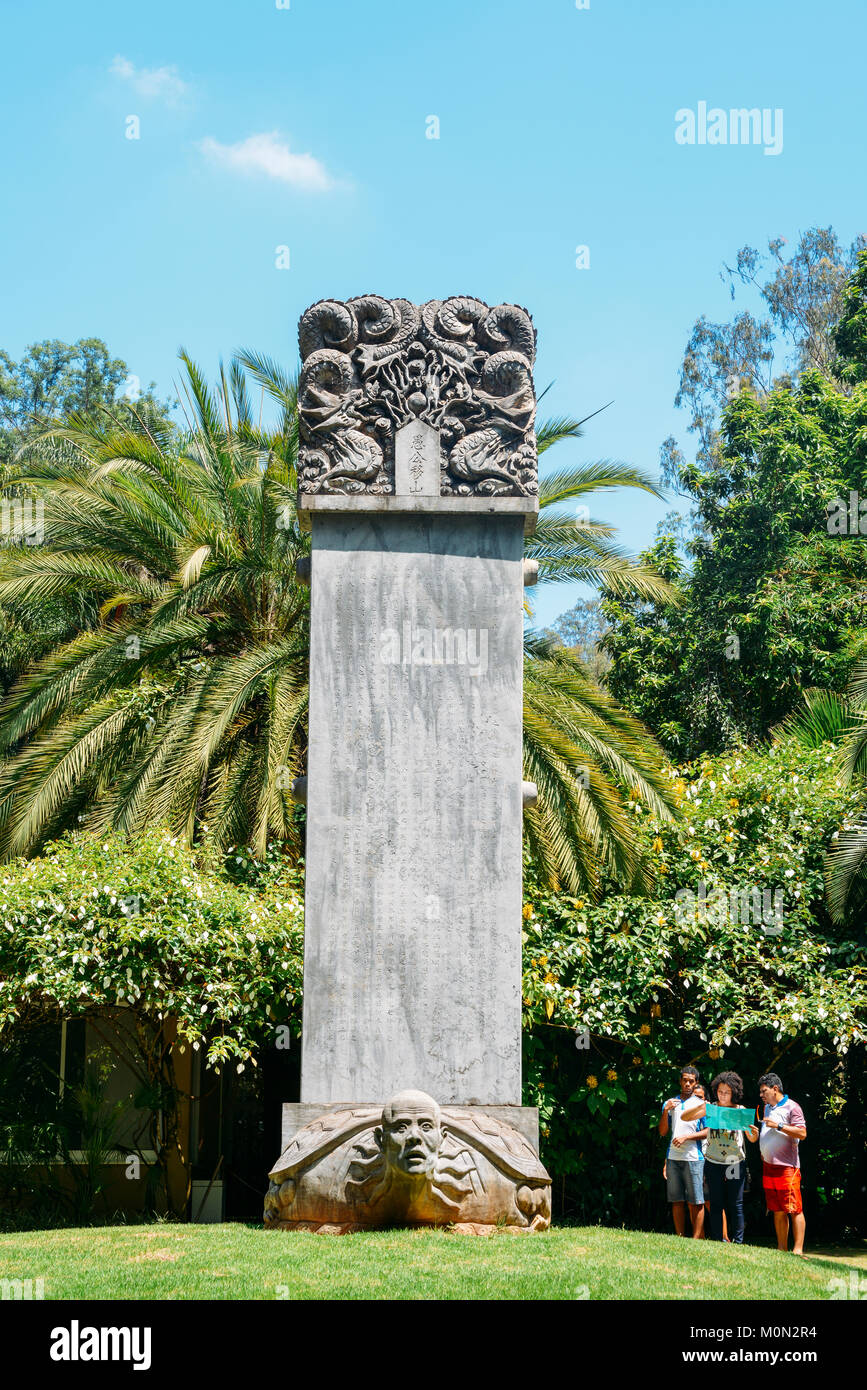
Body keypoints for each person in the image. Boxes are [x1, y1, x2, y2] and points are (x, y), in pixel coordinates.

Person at [682, 1071, 758, 1243]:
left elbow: (752, 1139)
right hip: (713, 1160)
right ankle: (717, 1240)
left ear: (734, 1093)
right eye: (720, 1091)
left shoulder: (740, 1111)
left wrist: (754, 1133)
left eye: (727, 1092)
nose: (723, 1095)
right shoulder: (712, 1107)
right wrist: (702, 1107)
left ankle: (738, 1241)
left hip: (733, 1161)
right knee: (716, 1203)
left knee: (735, 1203)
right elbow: (684, 1117)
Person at [757, 1072, 807, 1254]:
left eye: (764, 1091)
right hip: (768, 1166)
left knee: (794, 1208)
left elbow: (802, 1133)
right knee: (777, 1209)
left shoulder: (792, 1107)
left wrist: (778, 1125)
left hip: (788, 1167)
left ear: (775, 1089)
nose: (761, 1095)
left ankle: (798, 1250)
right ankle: (782, 1249)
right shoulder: (767, 1108)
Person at [658, 1065, 708, 1237]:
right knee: (676, 1200)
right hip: (673, 1157)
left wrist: (687, 1137)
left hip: (694, 1157)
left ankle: (696, 1238)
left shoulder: (701, 1105)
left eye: (691, 1081)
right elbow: (663, 1132)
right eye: (684, 1080)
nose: (687, 1084)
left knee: (697, 1201)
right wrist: (666, 1111)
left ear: (696, 1083)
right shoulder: (671, 1103)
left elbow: (708, 1132)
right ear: (680, 1081)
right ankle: (680, 1236)